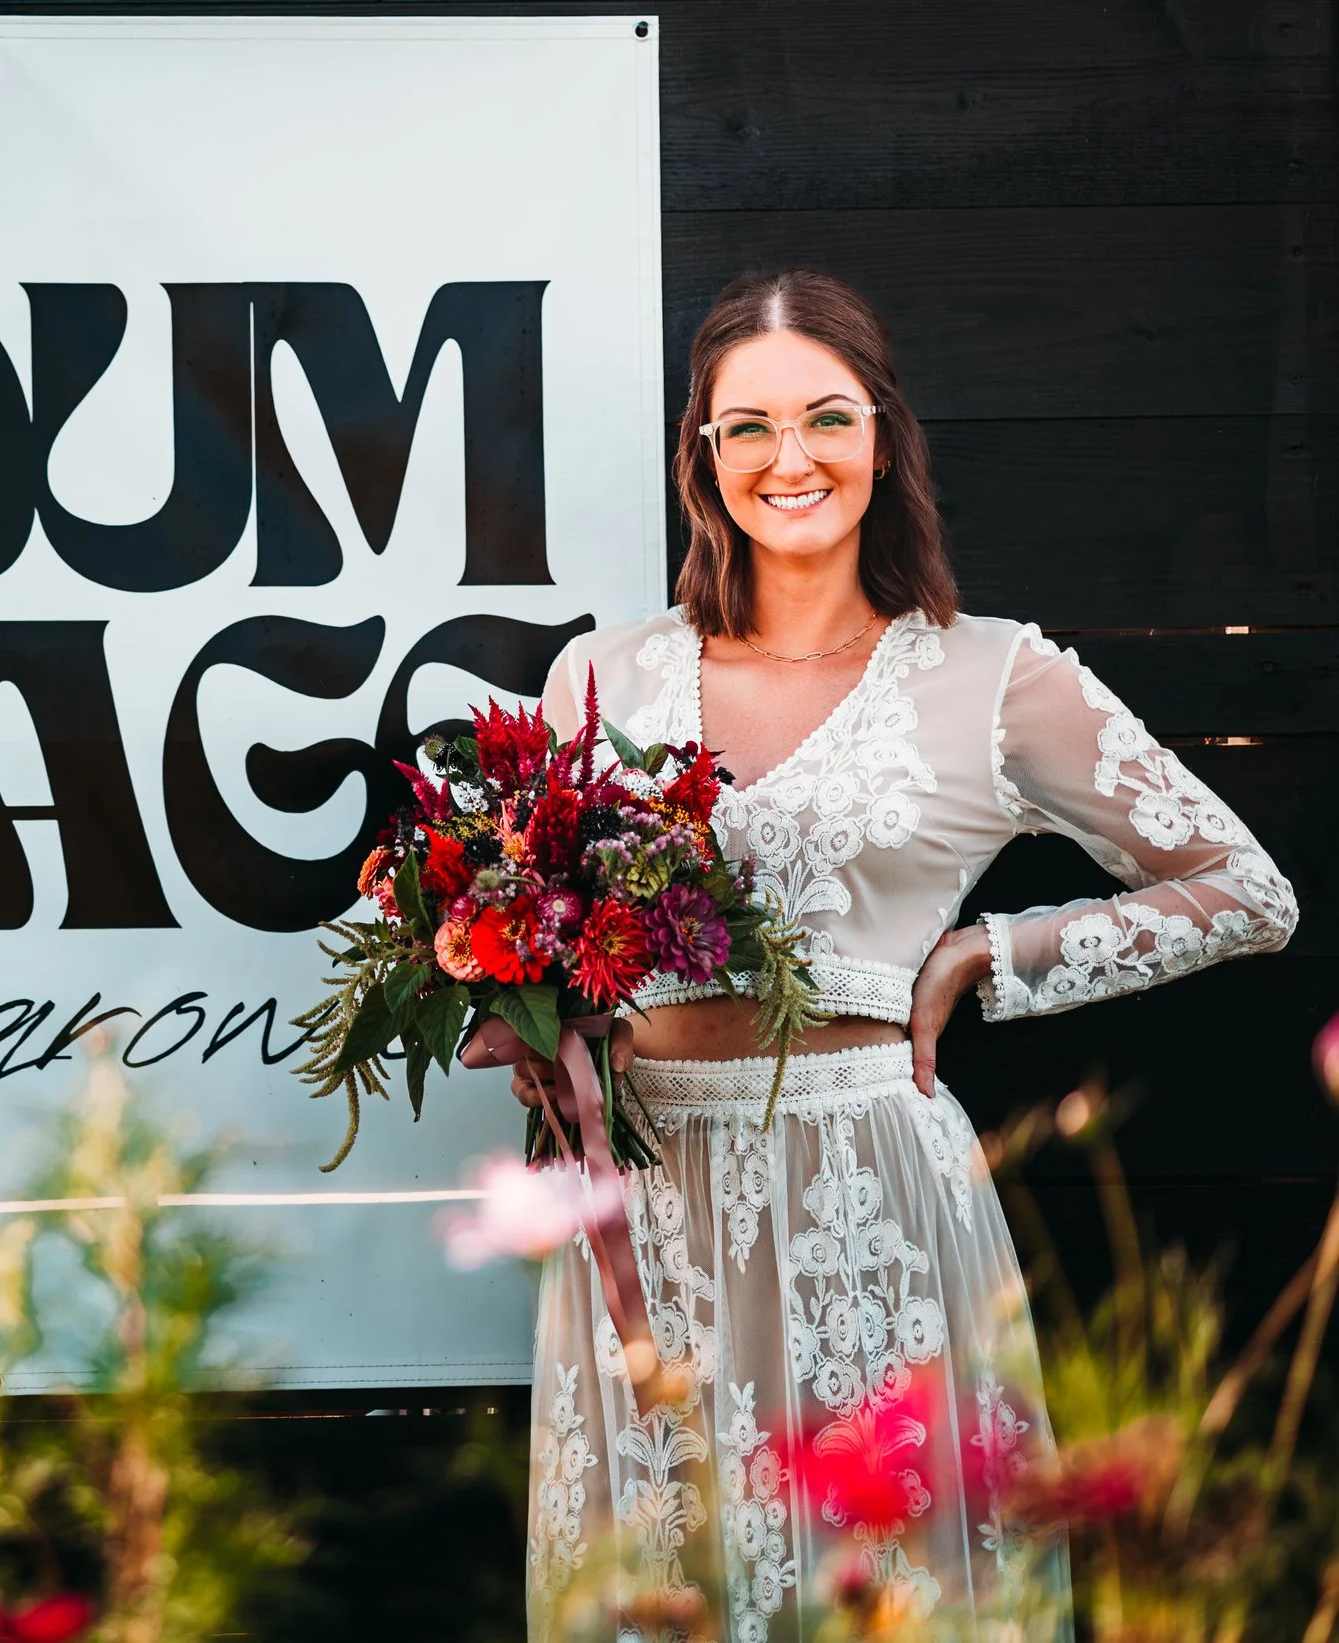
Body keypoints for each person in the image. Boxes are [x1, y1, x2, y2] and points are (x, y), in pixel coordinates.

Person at [459, 268, 1297, 1638]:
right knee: (660, 1587)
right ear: (703, 455)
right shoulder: (601, 679)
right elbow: (552, 935)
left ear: (886, 437)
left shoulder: (993, 673)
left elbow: (1246, 891)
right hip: (650, 1201)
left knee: (883, 1585)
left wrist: (990, 956)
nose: (788, 457)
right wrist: (545, 1032)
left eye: (826, 417)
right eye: (747, 426)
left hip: (869, 1194)